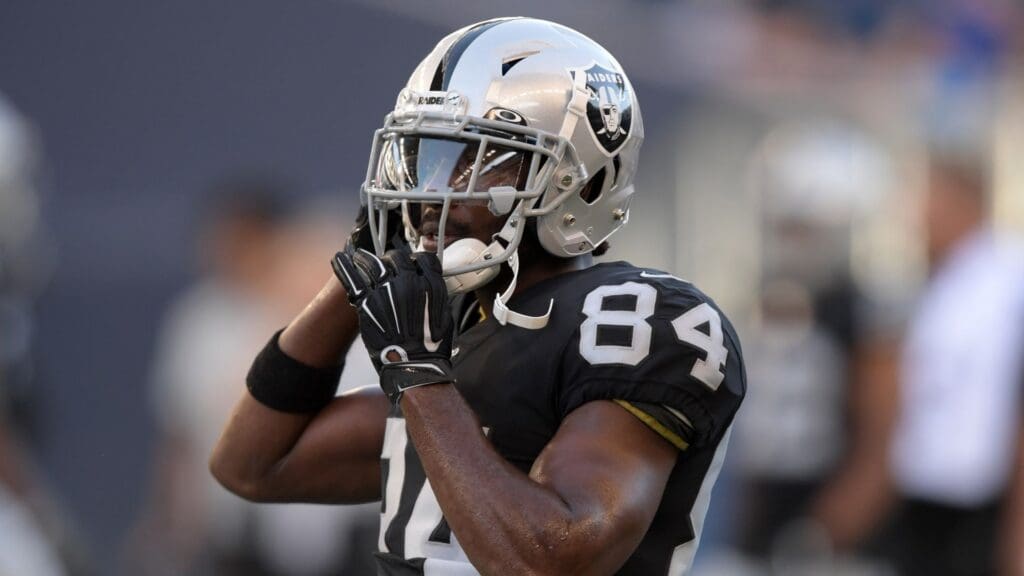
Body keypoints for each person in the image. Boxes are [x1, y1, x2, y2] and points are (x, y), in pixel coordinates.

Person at [210, 17, 746, 576]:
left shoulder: (639, 322)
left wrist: (418, 375)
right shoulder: (469, 331)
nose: (434, 191)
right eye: (429, 157)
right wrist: (354, 281)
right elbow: (251, 463)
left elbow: (554, 560)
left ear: (580, 182)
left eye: (479, 160)